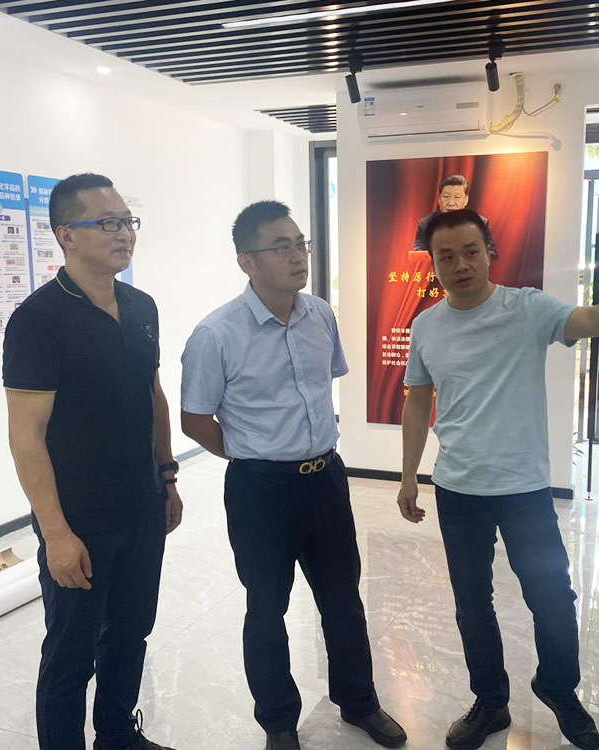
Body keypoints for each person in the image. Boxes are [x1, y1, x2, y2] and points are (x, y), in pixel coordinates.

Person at [397, 209, 599, 750]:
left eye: (470, 251)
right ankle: (490, 701)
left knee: (552, 596)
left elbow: (583, 320)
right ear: (433, 265)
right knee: (472, 603)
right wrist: (409, 476)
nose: (461, 265)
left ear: (488, 251)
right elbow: (417, 400)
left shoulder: (525, 307)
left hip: (523, 488)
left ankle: (557, 687)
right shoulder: (427, 326)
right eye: (446, 257)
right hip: (458, 489)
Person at [180, 201, 406, 750]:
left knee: (342, 599)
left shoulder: (320, 316)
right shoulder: (215, 334)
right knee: (266, 607)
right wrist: (251, 455)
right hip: (260, 490)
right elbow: (195, 419)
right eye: (280, 247)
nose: (297, 256)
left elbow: (323, 384)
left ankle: (359, 703)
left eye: (300, 243)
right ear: (246, 261)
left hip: (325, 479)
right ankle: (278, 722)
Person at [3, 173, 181, 750]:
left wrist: (167, 476)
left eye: (128, 221)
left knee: (131, 634)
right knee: (70, 653)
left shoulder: (141, 305)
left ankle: (117, 737)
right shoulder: (38, 319)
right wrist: (56, 533)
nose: (124, 233)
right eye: (107, 222)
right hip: (79, 518)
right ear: (67, 235)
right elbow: (26, 436)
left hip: (142, 504)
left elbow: (152, 396)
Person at [412, 175, 496, 255]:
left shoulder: (480, 223)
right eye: (446, 197)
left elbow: (491, 254)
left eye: (457, 197)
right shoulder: (425, 224)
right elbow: (418, 255)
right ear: (439, 200)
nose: (451, 203)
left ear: (466, 200)